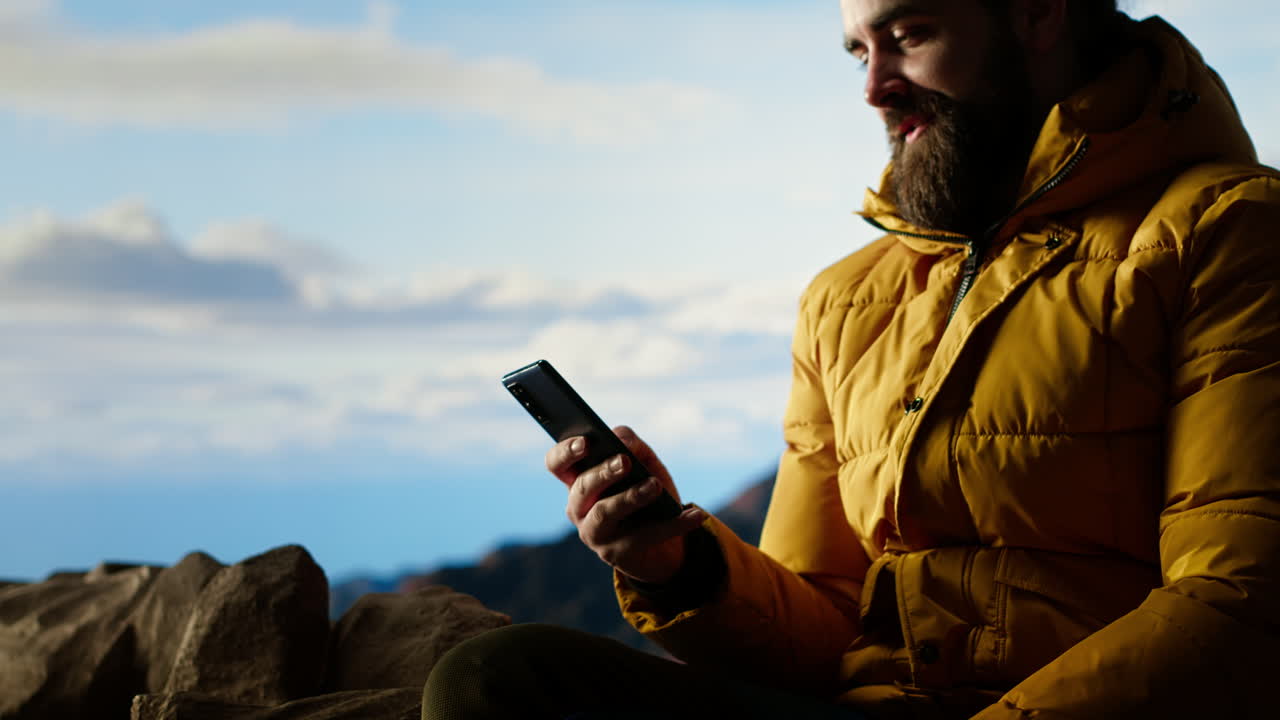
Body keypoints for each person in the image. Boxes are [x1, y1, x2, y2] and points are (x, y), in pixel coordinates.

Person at [424, 0, 1280, 717]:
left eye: (908, 35)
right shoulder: (845, 299)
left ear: (1036, 13)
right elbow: (827, 624)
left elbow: (1239, 601)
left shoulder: (1227, 229)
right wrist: (679, 568)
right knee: (495, 678)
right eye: (860, 52)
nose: (874, 87)